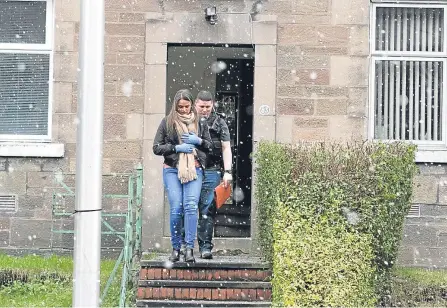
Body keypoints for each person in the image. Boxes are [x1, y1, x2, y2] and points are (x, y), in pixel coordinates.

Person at [153, 89, 212, 263]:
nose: (184, 110)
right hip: (172, 168)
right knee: (177, 207)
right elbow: (157, 147)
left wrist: (198, 141)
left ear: (191, 105)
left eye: (187, 106)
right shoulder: (167, 122)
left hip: (194, 169)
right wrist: (176, 148)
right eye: (180, 107)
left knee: (191, 206)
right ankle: (176, 247)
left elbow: (209, 146)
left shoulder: (200, 123)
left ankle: (189, 248)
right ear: (175, 106)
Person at [194, 90, 233, 259]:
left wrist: (228, 172)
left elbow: (226, 147)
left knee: (207, 209)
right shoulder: (188, 120)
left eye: (207, 107)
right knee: (186, 208)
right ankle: (183, 247)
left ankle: (205, 247)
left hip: (212, 169)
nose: (204, 110)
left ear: (213, 105)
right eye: (201, 106)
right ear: (196, 104)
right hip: (192, 169)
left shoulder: (220, 122)